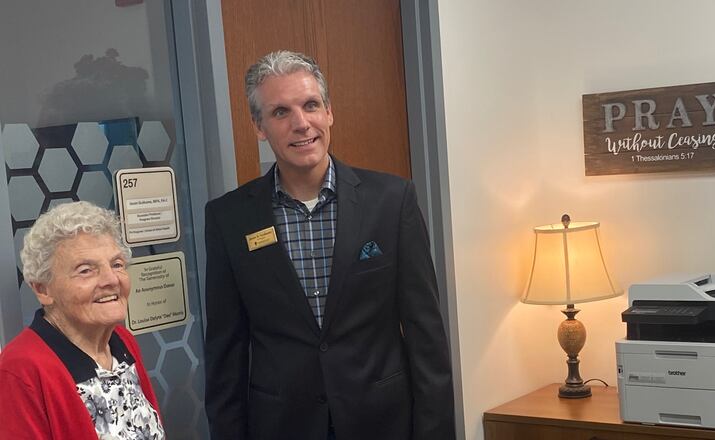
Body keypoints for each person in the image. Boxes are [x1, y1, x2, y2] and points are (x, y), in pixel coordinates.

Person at [204, 50, 455, 439]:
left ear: (329, 112)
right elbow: (225, 355)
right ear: (259, 126)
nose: (301, 124)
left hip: (384, 423)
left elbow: (427, 336)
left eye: (310, 105)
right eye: (281, 112)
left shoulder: (391, 201)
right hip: (282, 427)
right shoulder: (230, 218)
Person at [0, 201, 164, 439]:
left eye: (117, 264)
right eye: (86, 270)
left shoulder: (122, 341)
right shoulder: (20, 371)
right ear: (43, 289)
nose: (111, 279)